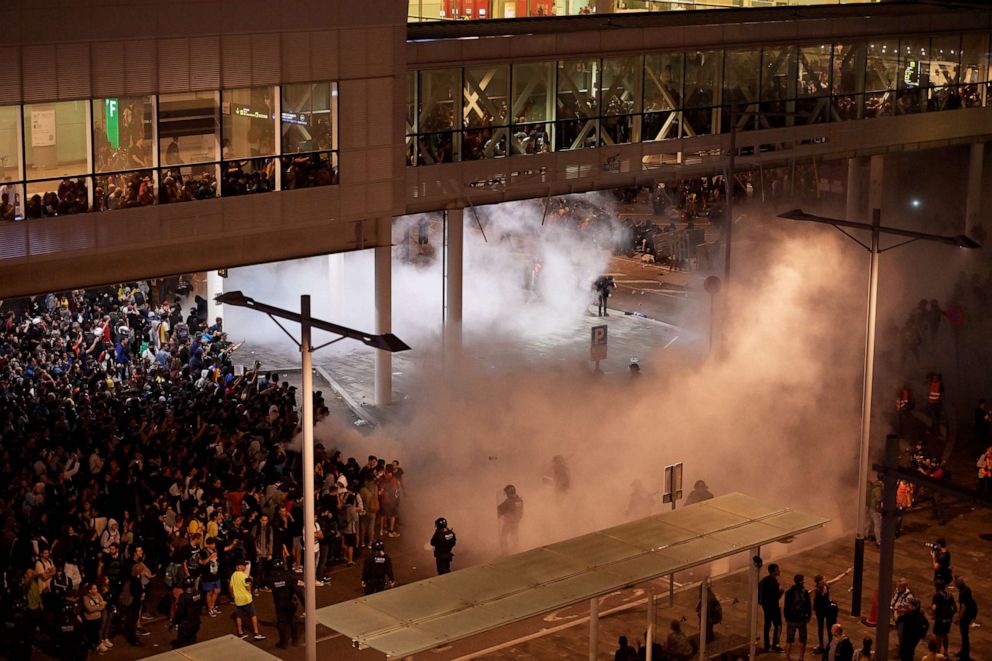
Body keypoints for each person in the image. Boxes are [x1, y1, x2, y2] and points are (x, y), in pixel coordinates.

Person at [812, 567, 851, 652]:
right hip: (820, 610)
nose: (825, 579)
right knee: (820, 626)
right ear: (819, 582)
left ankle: (830, 644)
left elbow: (837, 579)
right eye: (823, 579)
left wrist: (846, 573)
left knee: (829, 626)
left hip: (827, 608)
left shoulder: (826, 585)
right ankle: (821, 645)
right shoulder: (817, 590)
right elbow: (814, 599)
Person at [270, 557, 302, 649]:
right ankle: (295, 639)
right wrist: (304, 602)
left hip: (279, 604)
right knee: (292, 619)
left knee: (281, 622)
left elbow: (262, 582)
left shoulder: (272, 579)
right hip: (290, 602)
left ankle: (283, 642)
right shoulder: (288, 576)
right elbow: (297, 590)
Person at [230, 560, 265, 641]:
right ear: (240, 566)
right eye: (243, 565)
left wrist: (233, 596)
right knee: (253, 615)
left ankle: (240, 632)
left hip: (238, 600)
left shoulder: (233, 575)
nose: (245, 567)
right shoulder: (244, 576)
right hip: (246, 599)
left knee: (238, 616)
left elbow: (231, 587)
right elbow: (248, 588)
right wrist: (250, 580)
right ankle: (256, 633)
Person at [784, 574, 812, 661]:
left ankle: (787, 657)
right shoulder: (805, 592)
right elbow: (808, 605)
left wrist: (786, 617)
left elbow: (786, 606)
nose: (804, 582)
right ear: (800, 581)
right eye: (803, 580)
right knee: (802, 639)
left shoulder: (789, 592)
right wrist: (808, 616)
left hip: (791, 619)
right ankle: (801, 657)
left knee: (789, 639)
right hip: (802, 619)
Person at [758, 563, 785, 653]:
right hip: (774, 607)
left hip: (766, 607)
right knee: (778, 626)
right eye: (777, 570)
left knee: (767, 625)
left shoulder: (764, 580)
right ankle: (775, 645)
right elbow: (775, 597)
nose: (779, 571)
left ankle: (766, 645)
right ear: (773, 572)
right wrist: (781, 592)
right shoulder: (774, 583)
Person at [171, 576, 203, 648]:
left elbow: (180, 612)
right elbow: (200, 606)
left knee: (181, 643)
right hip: (196, 621)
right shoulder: (198, 594)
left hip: (186, 624)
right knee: (192, 640)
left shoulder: (183, 597)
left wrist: (174, 622)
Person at [953, 577, 977, 661]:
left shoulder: (962, 593)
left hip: (966, 615)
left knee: (964, 635)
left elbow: (963, 608)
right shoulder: (967, 589)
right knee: (964, 635)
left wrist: (958, 618)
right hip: (971, 612)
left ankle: (965, 655)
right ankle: (963, 651)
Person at [930, 579, 956, 656]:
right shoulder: (949, 594)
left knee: (938, 636)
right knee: (945, 634)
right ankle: (946, 651)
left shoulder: (937, 595)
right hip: (948, 619)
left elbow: (934, 608)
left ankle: (938, 653)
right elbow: (954, 606)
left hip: (940, 619)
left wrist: (932, 610)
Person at [497, 484, 524, 554]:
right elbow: (520, 513)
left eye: (506, 493)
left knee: (503, 536)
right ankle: (516, 549)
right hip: (516, 522)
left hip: (508, 523)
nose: (506, 495)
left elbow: (499, 510)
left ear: (509, 493)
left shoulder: (508, 502)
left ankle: (505, 551)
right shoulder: (519, 500)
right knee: (514, 536)